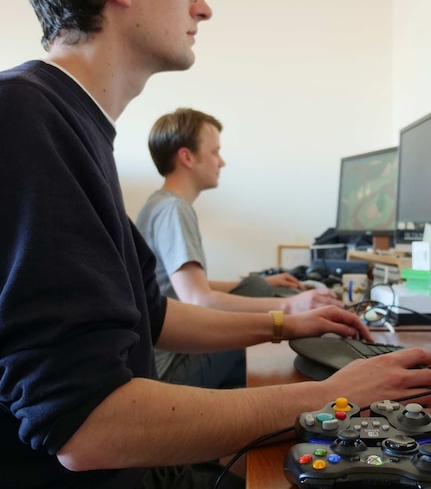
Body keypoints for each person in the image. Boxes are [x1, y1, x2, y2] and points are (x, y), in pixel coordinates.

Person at [0, 0, 431, 489]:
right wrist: (332, 397)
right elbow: (89, 427)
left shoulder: (64, 126)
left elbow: (156, 313)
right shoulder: (16, 122)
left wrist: (282, 323)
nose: (203, 7)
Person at [136, 107, 343, 389]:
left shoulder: (157, 204)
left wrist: (263, 282)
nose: (221, 162)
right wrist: (290, 306)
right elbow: (199, 300)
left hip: (159, 360)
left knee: (255, 284)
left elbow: (183, 287)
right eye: (214, 152)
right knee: (257, 293)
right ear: (187, 157)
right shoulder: (174, 209)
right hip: (171, 370)